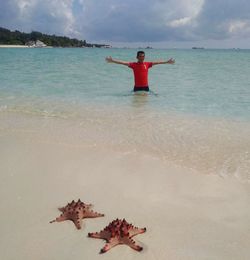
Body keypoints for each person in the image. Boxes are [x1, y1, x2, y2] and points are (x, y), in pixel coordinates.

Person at [105, 51, 175, 92]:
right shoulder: (133, 65)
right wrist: (113, 61)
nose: (142, 58)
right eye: (140, 56)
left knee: (145, 104)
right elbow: (123, 63)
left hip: (146, 87)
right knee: (136, 103)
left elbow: (157, 62)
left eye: (143, 56)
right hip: (137, 87)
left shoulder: (147, 64)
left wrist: (166, 62)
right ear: (137, 57)